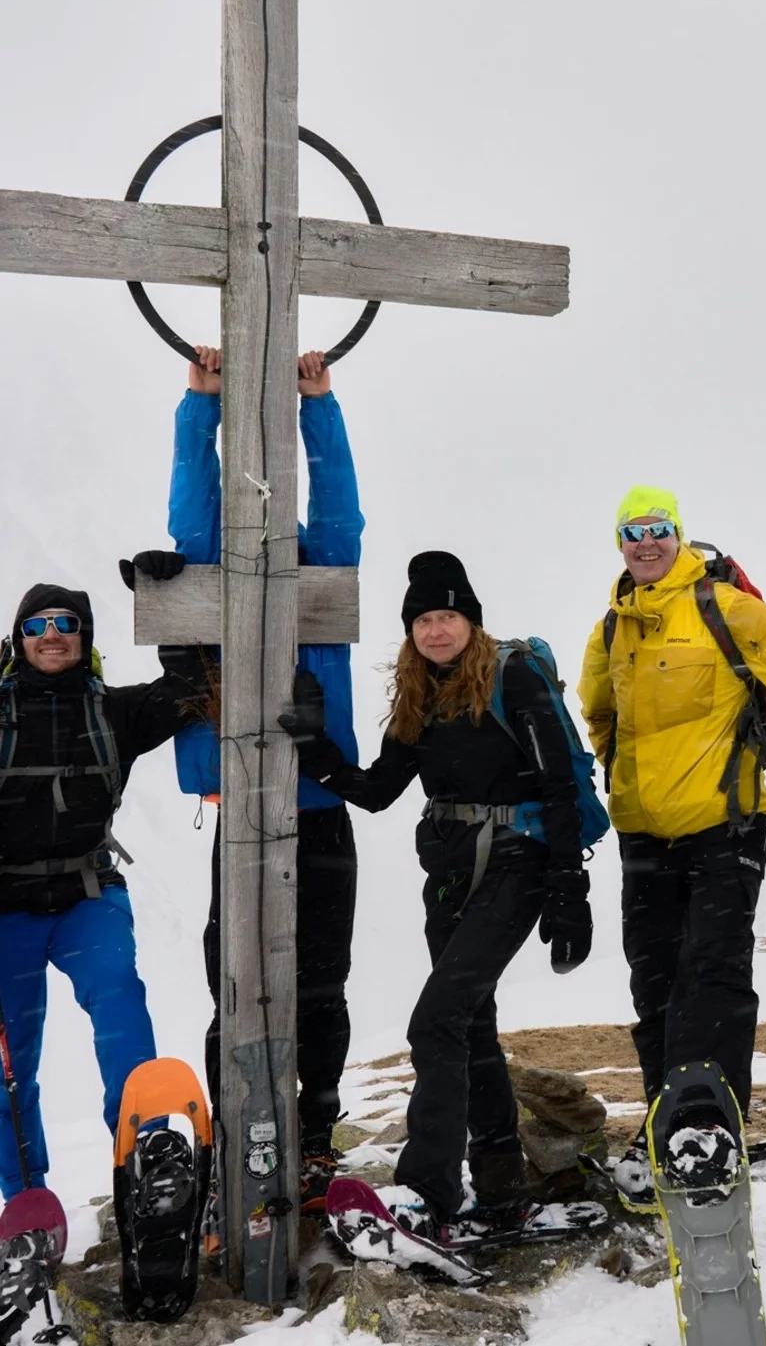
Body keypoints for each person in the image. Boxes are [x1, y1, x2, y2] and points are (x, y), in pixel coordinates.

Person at [278, 551, 591, 1235]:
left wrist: (571, 888)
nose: (436, 630)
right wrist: (314, 745)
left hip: (518, 863)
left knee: (435, 1022)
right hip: (450, 874)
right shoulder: (419, 694)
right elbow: (378, 790)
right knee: (469, 1023)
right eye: (423, 620)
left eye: (448, 616)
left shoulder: (512, 676)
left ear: (470, 621)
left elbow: (560, 786)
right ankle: (502, 1186)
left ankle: (427, 1193)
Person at [577, 485, 766, 1210]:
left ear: (679, 535)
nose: (647, 542)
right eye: (633, 531)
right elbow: (599, 713)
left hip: (724, 827)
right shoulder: (610, 629)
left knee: (713, 971)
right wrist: (623, 775)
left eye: (659, 528)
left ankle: (709, 1127)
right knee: (655, 986)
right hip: (642, 834)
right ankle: (665, 1128)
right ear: (619, 543)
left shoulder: (722, 607)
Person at [156, 344, 364, 1213]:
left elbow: (340, 508)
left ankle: (313, 1134)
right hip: (245, 807)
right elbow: (192, 517)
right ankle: (235, 1138)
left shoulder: (322, 573)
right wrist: (200, 404)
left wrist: (320, 406)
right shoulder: (221, 573)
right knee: (234, 986)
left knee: (321, 985)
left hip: (319, 807)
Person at [0, 585, 201, 1199]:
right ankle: (26, 1197)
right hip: (6, 907)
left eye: (66, 623)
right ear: (18, 640)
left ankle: (149, 1156)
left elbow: (195, 684)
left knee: (119, 1000)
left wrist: (169, 595)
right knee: (10, 1063)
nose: (51, 635)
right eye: (36, 625)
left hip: (87, 894)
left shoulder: (113, 711)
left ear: (84, 637)